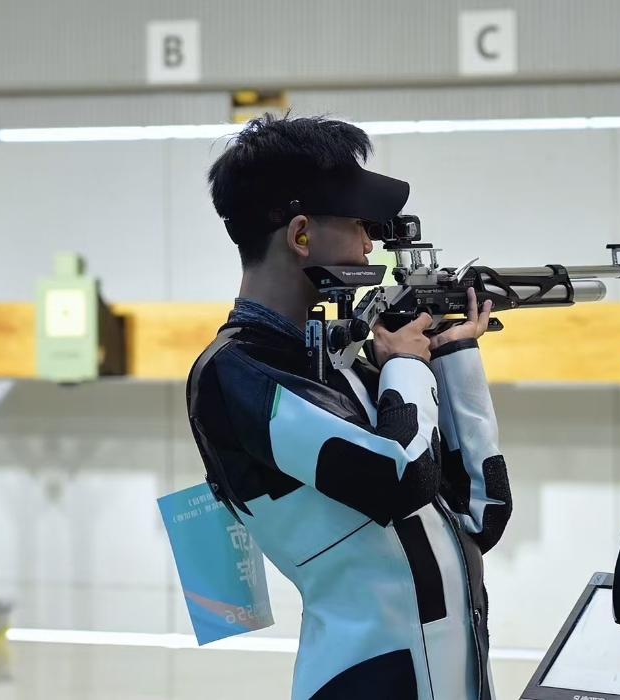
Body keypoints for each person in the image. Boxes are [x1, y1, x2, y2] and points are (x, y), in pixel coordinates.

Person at [186, 114, 512, 700]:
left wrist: (453, 358)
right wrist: (406, 367)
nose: (370, 244)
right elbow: (399, 480)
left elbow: (480, 517)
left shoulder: (346, 366)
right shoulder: (237, 374)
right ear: (300, 235)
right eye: (360, 224)